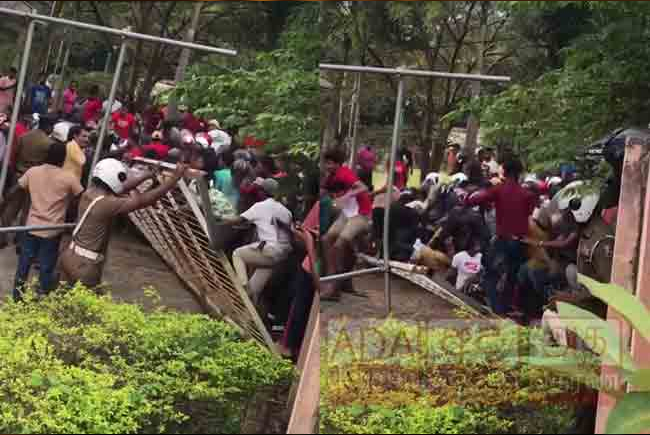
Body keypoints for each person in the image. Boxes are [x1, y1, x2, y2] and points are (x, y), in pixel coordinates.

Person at [59, 159, 189, 289]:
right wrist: (174, 178)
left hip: (69, 255)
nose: (123, 182)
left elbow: (122, 188)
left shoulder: (90, 192)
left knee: (63, 300)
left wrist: (147, 175)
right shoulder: (107, 204)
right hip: (85, 265)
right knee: (88, 306)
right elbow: (144, 200)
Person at [11, 142, 84, 301]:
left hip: (31, 227)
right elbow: (81, 196)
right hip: (52, 230)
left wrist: (4, 203)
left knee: (23, 265)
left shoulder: (33, 172)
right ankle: (42, 298)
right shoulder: (68, 177)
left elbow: (16, 188)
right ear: (64, 158)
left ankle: (17, 298)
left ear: (46, 155)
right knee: (46, 267)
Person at [465, 156, 537, 315]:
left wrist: (487, 186)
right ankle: (504, 309)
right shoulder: (527, 194)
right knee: (512, 276)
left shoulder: (498, 189)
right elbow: (529, 216)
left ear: (504, 171)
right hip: (520, 242)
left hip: (503, 239)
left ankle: (497, 309)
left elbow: (472, 200)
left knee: (489, 274)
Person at [225, 178, 293, 303]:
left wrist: (220, 219)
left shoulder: (260, 206)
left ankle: (243, 287)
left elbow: (238, 220)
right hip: (282, 255)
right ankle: (249, 300)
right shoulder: (286, 211)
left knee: (237, 254)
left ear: (262, 192)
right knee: (254, 289)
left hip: (270, 250)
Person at [321, 149, 372, 300]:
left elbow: (363, 187)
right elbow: (325, 191)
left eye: (330, 163)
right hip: (346, 215)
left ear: (337, 163)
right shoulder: (330, 177)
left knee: (340, 243)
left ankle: (334, 286)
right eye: (326, 163)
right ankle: (332, 275)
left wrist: (346, 196)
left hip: (361, 214)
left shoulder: (345, 173)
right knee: (326, 239)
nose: (327, 166)